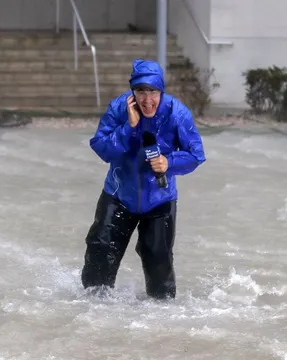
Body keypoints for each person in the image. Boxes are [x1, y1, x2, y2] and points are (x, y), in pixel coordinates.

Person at [80, 58, 206, 300]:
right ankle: (91, 312)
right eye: (141, 91)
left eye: (153, 92)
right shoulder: (119, 108)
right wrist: (129, 126)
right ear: (133, 91)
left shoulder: (177, 113)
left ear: (161, 91)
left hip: (159, 199)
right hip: (118, 195)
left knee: (158, 259)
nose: (147, 100)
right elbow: (101, 148)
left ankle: (161, 321)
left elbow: (196, 154)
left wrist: (170, 162)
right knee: (100, 249)